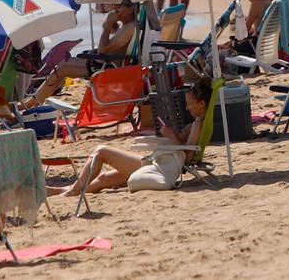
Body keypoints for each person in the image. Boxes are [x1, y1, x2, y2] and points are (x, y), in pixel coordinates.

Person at [58, 85, 208, 202]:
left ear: (201, 103)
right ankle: (61, 191)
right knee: (103, 179)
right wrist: (174, 134)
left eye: (189, 104)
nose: (187, 107)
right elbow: (186, 146)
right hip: (161, 162)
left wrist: (171, 136)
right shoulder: (198, 123)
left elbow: (187, 157)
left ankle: (72, 191)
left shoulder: (197, 124)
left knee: (101, 151)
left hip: (161, 166)